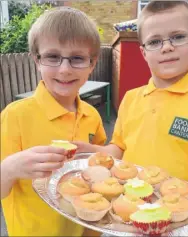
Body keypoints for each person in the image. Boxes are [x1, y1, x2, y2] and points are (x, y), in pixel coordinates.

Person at [74, 1, 188, 233]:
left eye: (177, 37)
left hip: (177, 222)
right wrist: (90, 150)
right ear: (143, 52)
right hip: (127, 219)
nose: (166, 47)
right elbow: (118, 150)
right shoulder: (131, 98)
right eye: (155, 41)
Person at [1, 7, 106, 236]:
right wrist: (9, 169)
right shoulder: (15, 116)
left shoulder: (92, 116)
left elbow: (100, 172)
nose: (65, 69)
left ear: (92, 63)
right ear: (37, 60)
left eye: (77, 58)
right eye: (52, 57)